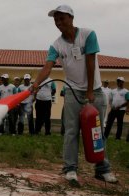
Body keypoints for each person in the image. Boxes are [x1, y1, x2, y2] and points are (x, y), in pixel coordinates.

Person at [32, 4, 117, 184]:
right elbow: (48, 66)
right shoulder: (56, 45)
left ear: (71, 18)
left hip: (95, 91)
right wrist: (37, 83)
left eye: (61, 18)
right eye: (56, 20)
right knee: (71, 131)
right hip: (72, 92)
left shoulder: (88, 34)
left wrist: (89, 92)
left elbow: (90, 61)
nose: (58, 22)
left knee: (97, 131)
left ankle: (103, 169)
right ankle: (70, 169)